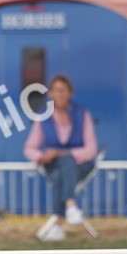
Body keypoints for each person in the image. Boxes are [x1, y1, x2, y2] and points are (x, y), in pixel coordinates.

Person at [25, 74, 98, 241]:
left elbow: (91, 149)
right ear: (50, 94)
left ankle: (58, 224)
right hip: (54, 165)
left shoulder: (82, 114)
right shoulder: (42, 118)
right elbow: (29, 148)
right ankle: (70, 205)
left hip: (81, 166)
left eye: (64, 91)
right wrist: (42, 156)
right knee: (61, 169)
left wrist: (65, 154)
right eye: (57, 91)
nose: (60, 94)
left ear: (70, 93)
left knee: (65, 163)